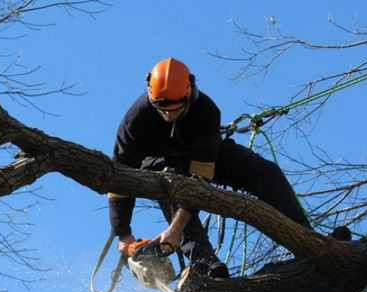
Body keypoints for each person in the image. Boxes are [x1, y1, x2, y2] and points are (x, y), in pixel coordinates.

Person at [108, 58, 313, 278]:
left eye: (174, 109)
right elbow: (119, 177)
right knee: (169, 181)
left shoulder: (206, 111)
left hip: (201, 158)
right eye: (162, 109)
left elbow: (200, 181)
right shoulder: (135, 121)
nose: (167, 114)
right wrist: (123, 233)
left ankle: (308, 240)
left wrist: (175, 230)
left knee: (264, 171)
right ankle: (206, 264)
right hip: (159, 165)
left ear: (188, 95)